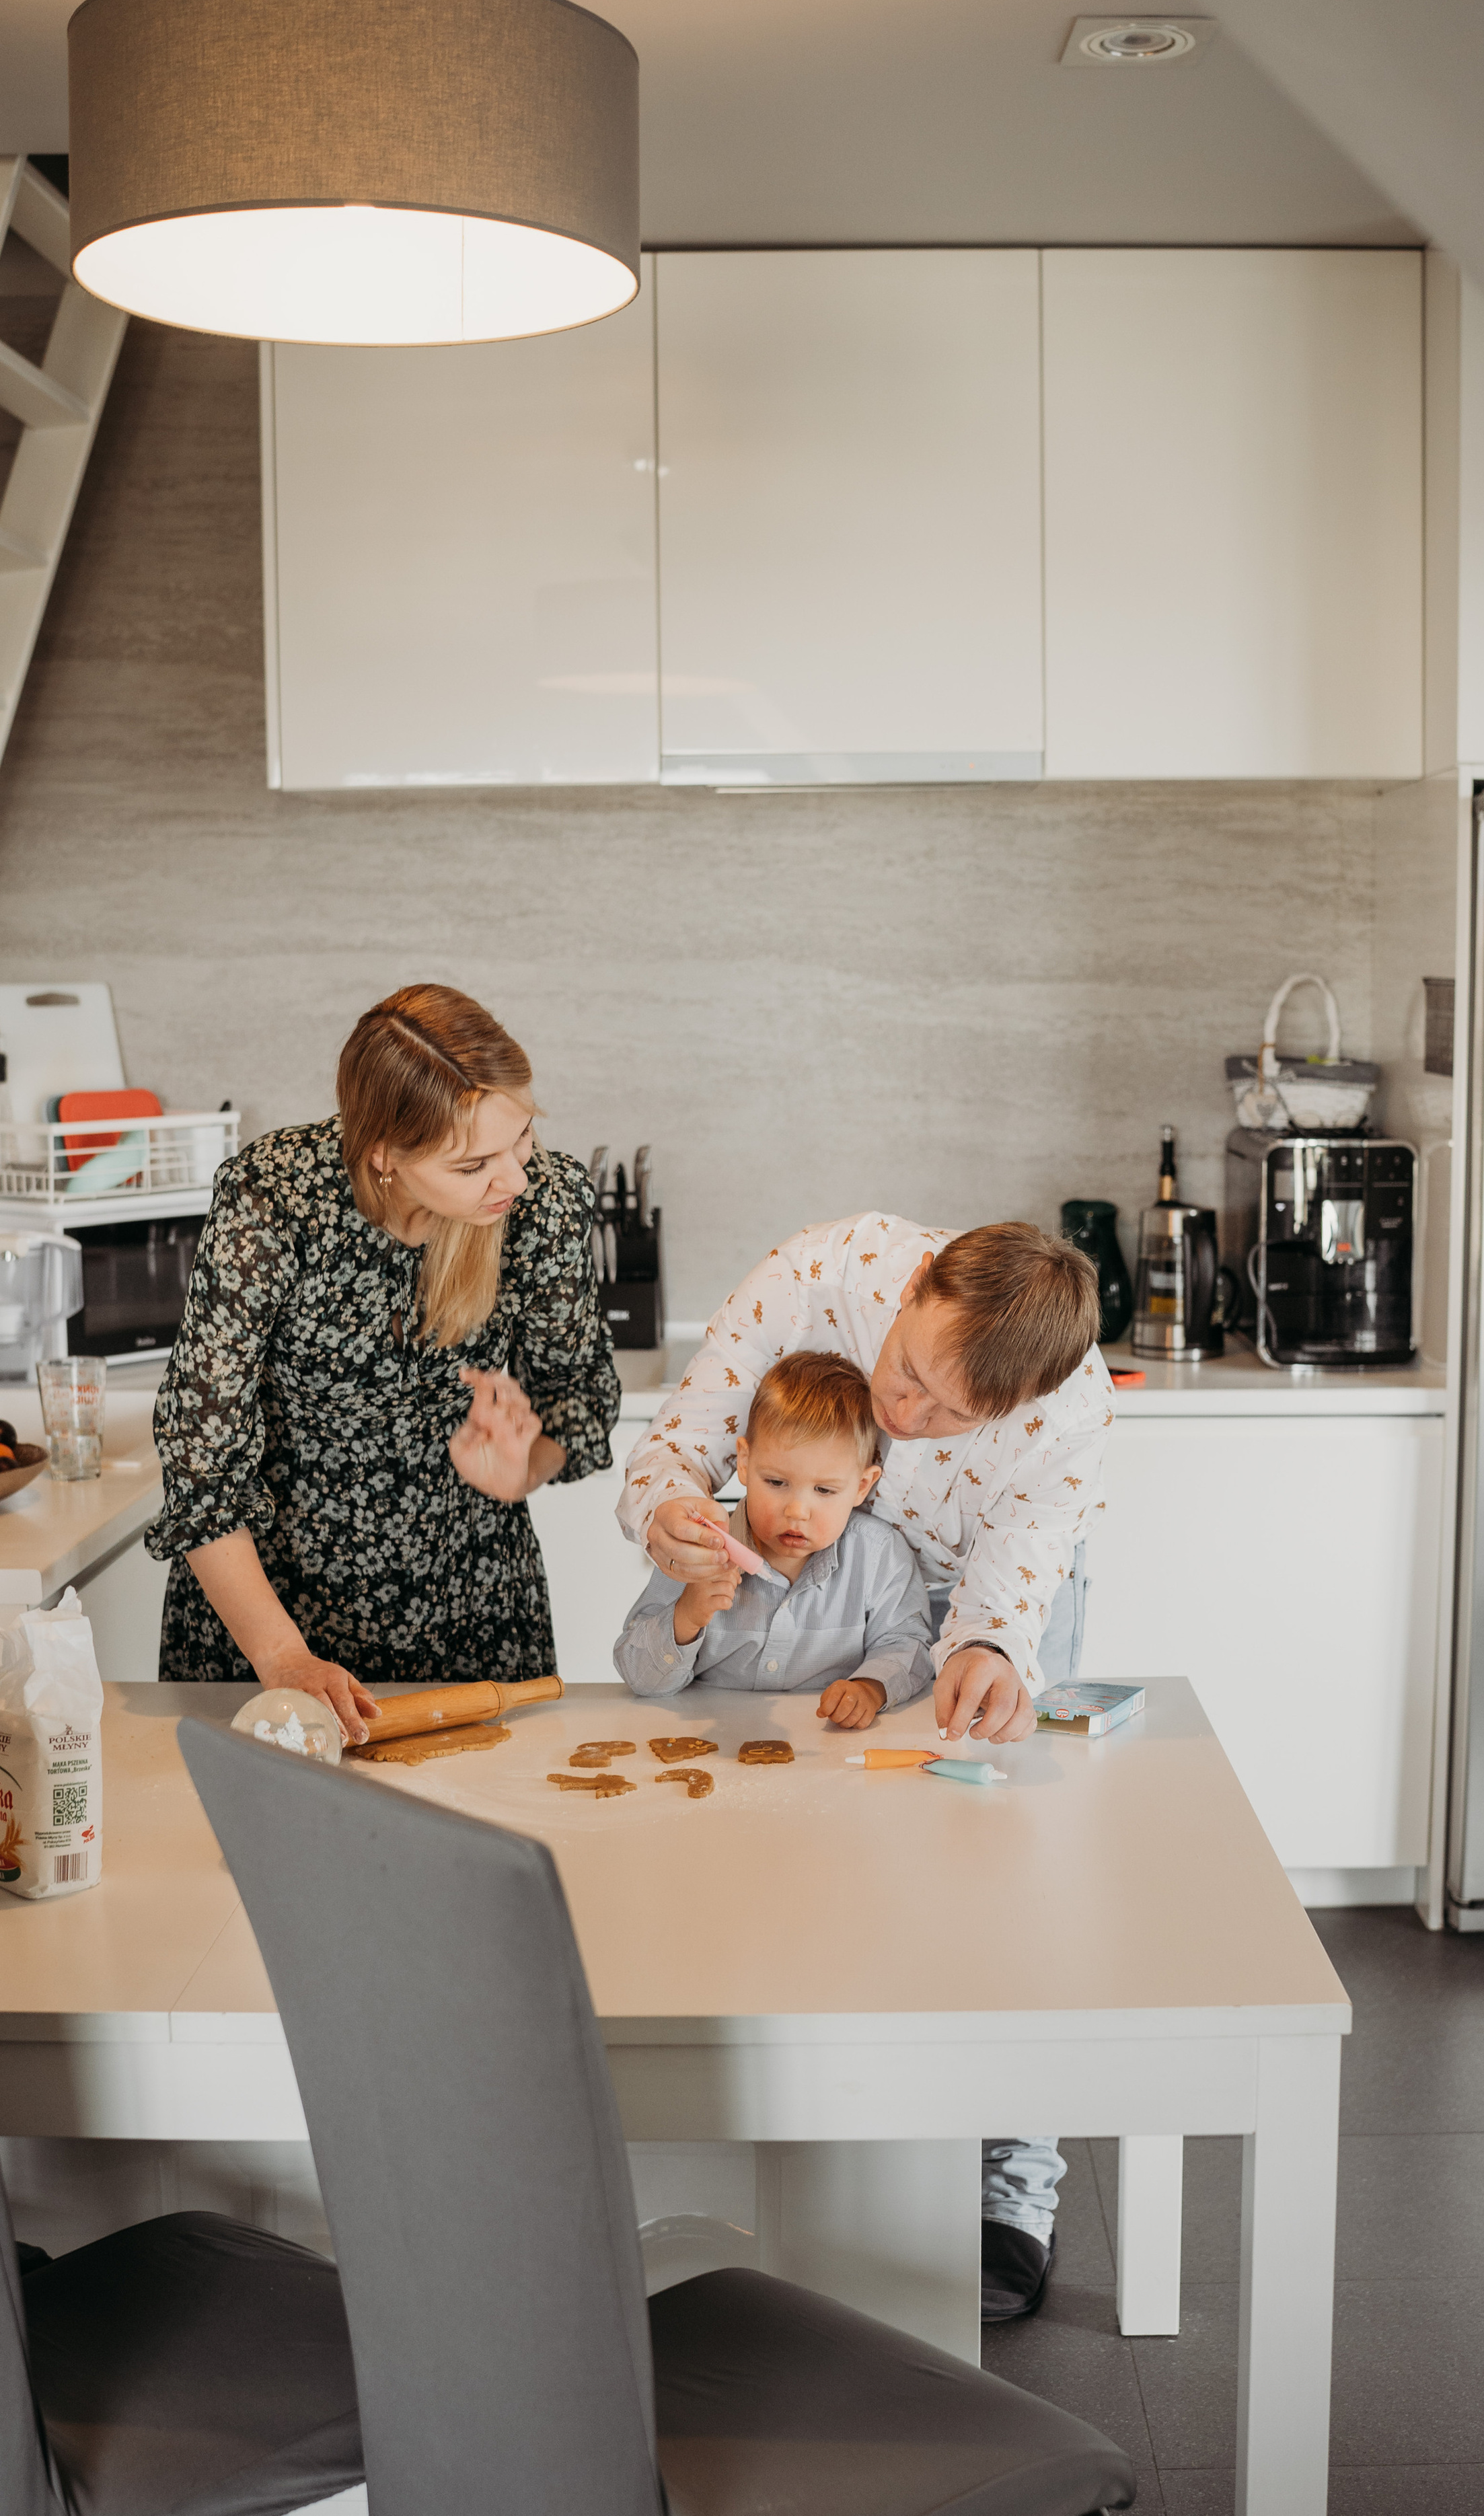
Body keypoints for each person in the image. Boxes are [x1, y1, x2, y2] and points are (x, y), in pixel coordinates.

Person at [618, 1214, 1109, 2321]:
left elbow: (1019, 1562)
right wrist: (671, 1519)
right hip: (825, 1552)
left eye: (952, 1416)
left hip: (976, 1584)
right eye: (909, 1376)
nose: (908, 1417)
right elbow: (684, 1438)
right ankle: (849, 2151)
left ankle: (1010, 2193)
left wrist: (986, 1645)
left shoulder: (1071, 1414)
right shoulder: (814, 1272)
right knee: (832, 1849)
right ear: (918, 1283)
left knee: (998, 1881)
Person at [149, 986, 619, 1745]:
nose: (517, 1179)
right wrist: (283, 1657)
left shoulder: (545, 1203)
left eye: (523, 1138)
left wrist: (524, 1465)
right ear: (385, 1157)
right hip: (271, 1625)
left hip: (473, 1624)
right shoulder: (275, 1199)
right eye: (474, 1165)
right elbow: (202, 1465)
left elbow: (579, 1398)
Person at [614, 1350, 934, 1717]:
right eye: (777, 1482)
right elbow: (638, 1678)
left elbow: (908, 1644)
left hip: (829, 1756)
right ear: (746, 1464)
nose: (797, 1511)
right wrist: (686, 1617)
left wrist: (871, 1688)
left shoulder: (879, 1556)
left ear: (862, 1485)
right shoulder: (698, 1548)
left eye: (825, 1491)